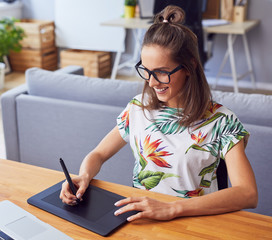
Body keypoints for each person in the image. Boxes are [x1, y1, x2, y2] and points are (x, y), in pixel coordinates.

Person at [60, 5, 257, 221]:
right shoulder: (138, 108)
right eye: (146, 70)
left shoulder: (222, 121)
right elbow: (98, 154)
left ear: (189, 66)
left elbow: (247, 193)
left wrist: (172, 209)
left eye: (162, 72)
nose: (152, 82)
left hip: (194, 223)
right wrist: (84, 176)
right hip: (141, 220)